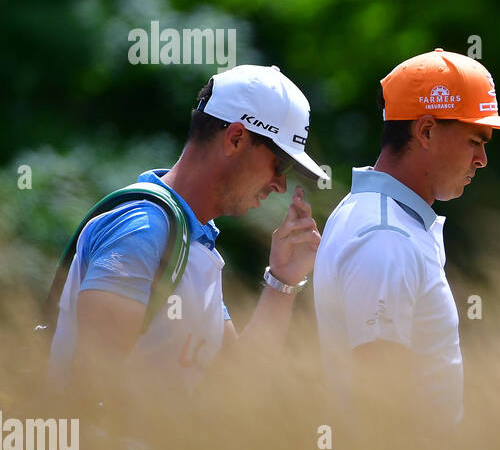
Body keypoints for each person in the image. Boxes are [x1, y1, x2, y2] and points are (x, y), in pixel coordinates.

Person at [47, 64, 325, 402]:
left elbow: (237, 383)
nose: (281, 185)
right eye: (280, 164)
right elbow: (91, 384)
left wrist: (283, 281)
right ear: (235, 138)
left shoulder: (189, 237)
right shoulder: (144, 228)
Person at [314, 48, 500, 427]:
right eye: (474, 140)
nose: (482, 159)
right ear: (427, 131)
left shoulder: (380, 218)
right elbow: (380, 406)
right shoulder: (385, 236)